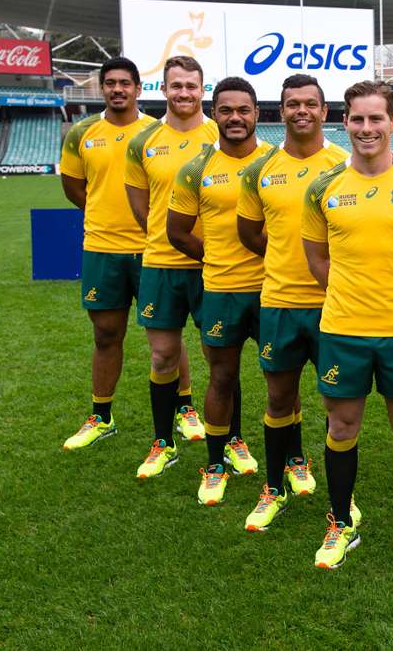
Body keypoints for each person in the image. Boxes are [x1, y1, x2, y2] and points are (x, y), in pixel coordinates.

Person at [301, 80, 393, 569]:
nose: (366, 128)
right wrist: (348, 293)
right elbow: (316, 258)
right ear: (344, 123)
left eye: (376, 118)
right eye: (357, 119)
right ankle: (340, 520)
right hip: (342, 329)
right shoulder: (324, 187)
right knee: (342, 425)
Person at [237, 74, 349, 530]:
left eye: (309, 103)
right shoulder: (260, 169)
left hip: (333, 306)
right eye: (292, 104)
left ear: (324, 111)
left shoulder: (345, 164)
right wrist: (286, 258)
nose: (301, 110)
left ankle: (343, 497)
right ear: (279, 111)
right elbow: (249, 233)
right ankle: (274, 487)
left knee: (338, 405)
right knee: (279, 397)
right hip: (279, 302)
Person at [167, 76, 269, 505]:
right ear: (214, 114)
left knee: (282, 382)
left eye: (243, 110)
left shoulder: (275, 162)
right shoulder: (196, 168)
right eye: (226, 110)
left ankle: (293, 460)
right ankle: (214, 465)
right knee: (221, 378)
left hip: (272, 291)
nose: (235, 117)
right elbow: (177, 232)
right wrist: (213, 258)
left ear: (257, 114)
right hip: (222, 290)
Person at [124, 55, 219, 480]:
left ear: (202, 89)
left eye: (191, 85)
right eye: (176, 85)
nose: (184, 93)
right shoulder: (143, 141)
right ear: (163, 89)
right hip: (161, 263)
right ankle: (163, 443)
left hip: (212, 266)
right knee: (163, 355)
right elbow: (141, 209)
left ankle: (228, 441)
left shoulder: (219, 134)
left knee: (218, 358)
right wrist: (167, 238)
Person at [60, 57, 159, 452]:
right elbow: (73, 187)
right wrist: (104, 212)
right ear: (102, 88)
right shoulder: (81, 132)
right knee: (105, 334)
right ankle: (101, 416)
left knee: (163, 336)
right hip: (101, 248)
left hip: (151, 250)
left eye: (125, 83)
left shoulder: (156, 131)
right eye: (111, 83)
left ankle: (183, 409)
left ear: (138, 88)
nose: (118, 89)